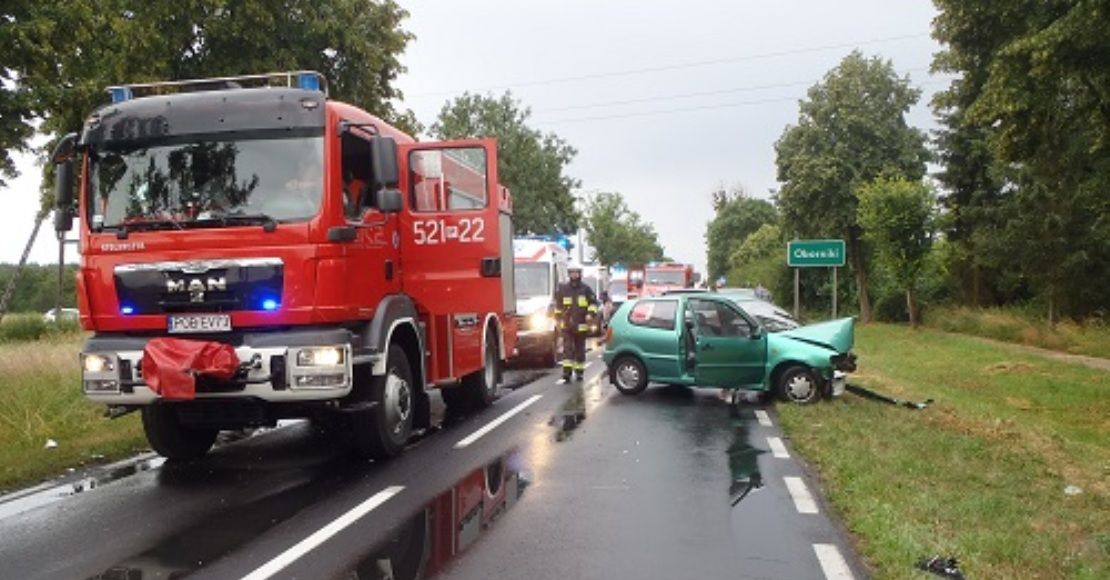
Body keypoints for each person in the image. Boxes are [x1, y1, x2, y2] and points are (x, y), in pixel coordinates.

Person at [554, 265, 599, 381]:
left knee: (580, 350)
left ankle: (579, 372)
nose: (574, 275)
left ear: (580, 274)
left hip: (581, 325)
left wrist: (590, 313)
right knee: (567, 349)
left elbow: (594, 303)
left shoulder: (586, 289)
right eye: (572, 273)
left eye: (576, 272)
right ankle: (567, 372)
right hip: (567, 325)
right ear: (569, 274)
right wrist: (558, 319)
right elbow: (558, 306)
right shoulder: (563, 289)